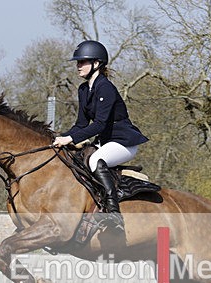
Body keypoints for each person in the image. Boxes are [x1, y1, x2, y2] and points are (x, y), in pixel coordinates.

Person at [53, 40, 149, 228]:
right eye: (77, 63)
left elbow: (99, 124)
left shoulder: (105, 87)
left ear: (96, 64)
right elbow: (81, 124)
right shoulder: (83, 89)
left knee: (95, 161)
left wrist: (70, 138)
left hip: (123, 142)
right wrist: (59, 138)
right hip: (105, 141)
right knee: (76, 159)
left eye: (82, 62)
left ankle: (114, 213)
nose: (78, 66)